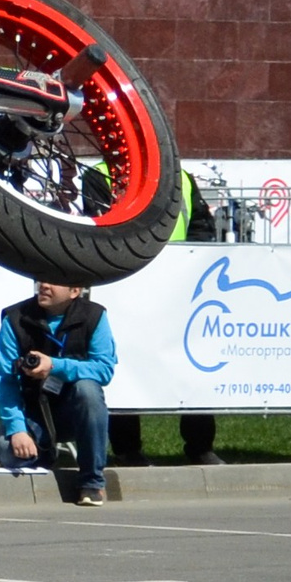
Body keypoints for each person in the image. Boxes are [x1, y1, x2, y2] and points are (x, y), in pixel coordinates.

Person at [109, 168, 221, 468]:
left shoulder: (180, 176)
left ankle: (200, 446)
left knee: (194, 364)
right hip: (128, 284)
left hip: (180, 288)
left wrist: (187, 265)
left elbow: (201, 226)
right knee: (126, 367)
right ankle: (127, 449)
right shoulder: (101, 174)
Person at [0, 278, 115, 506]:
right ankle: (46, 452)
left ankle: (92, 482)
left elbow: (104, 370)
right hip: (33, 410)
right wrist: (18, 429)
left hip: (74, 410)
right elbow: (4, 382)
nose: (44, 285)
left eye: (54, 282)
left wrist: (54, 366)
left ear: (75, 290)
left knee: (88, 389)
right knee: (7, 452)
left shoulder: (94, 316)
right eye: (41, 279)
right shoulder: (15, 318)